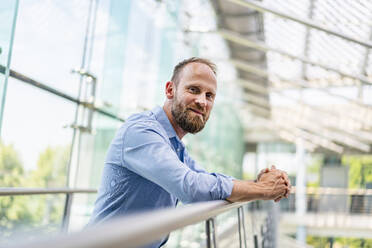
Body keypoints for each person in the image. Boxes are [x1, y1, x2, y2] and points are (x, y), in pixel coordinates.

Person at [89, 57, 291, 247]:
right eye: (194, 89)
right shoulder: (141, 131)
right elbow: (191, 187)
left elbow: (206, 181)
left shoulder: (175, 147)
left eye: (209, 95)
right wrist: (263, 190)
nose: (202, 101)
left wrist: (257, 184)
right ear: (170, 90)